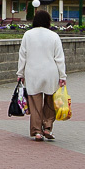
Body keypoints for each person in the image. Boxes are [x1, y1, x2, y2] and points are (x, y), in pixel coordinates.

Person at [15, 9, 66, 141]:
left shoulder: (28, 35)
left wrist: (20, 73)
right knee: (50, 101)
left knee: (35, 103)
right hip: (51, 72)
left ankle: (37, 131)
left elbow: (23, 56)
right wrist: (62, 76)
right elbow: (59, 58)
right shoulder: (54, 36)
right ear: (48, 21)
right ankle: (47, 127)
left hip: (33, 72)